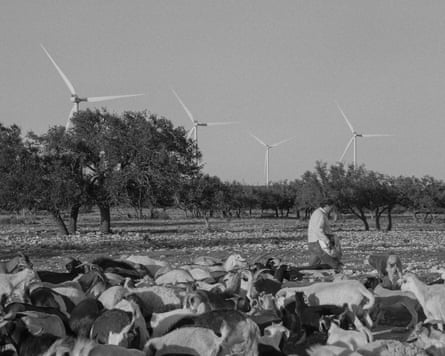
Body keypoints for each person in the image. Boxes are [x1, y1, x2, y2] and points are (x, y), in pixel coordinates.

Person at [307, 198, 343, 272]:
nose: (331, 209)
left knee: (313, 265)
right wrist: (327, 240)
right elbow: (318, 229)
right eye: (331, 207)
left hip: (313, 242)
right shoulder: (319, 214)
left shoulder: (318, 213)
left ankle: (308, 276)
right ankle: (339, 274)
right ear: (327, 206)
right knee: (331, 261)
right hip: (317, 242)